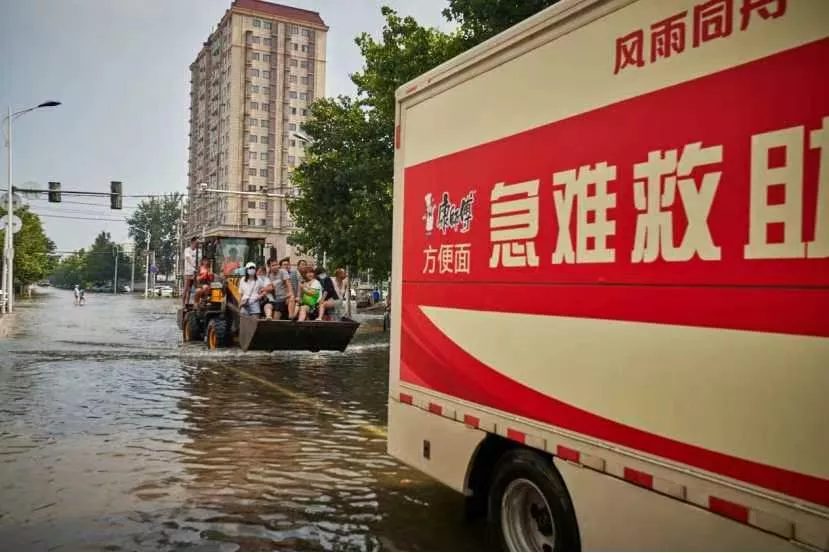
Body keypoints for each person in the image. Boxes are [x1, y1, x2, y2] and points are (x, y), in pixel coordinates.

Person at [182, 236, 198, 307]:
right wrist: (194, 266)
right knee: (186, 288)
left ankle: (189, 303)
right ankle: (183, 304)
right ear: (192, 242)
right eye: (196, 242)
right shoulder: (187, 250)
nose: (197, 244)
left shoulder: (198, 251)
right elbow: (188, 258)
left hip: (196, 272)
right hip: (188, 272)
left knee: (192, 289)